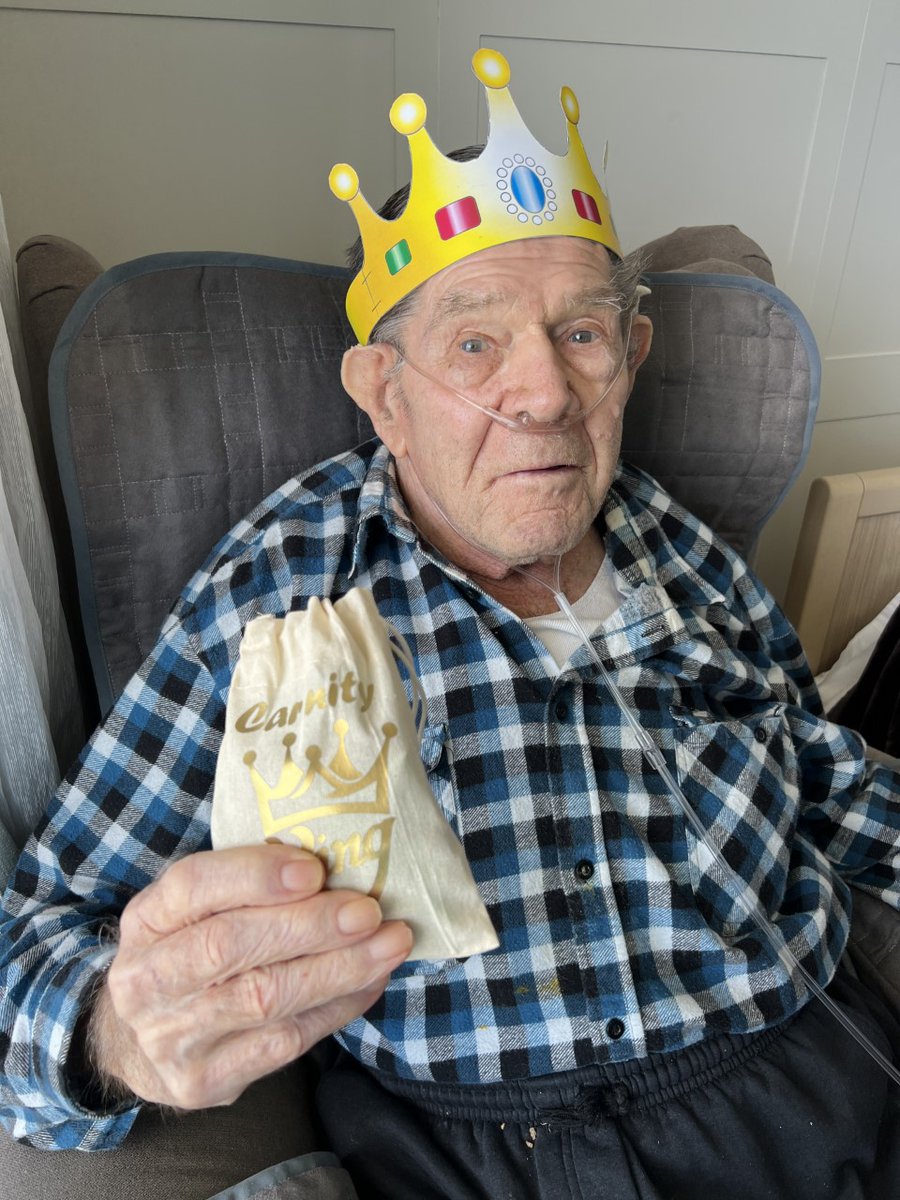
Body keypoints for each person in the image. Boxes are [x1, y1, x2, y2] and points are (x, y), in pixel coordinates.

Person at [2, 48, 899, 1200]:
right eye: (476, 343)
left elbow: (823, 780)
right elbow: (40, 939)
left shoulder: (689, 556)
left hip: (807, 1089)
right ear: (384, 394)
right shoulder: (282, 583)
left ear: (630, 358)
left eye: (582, 334)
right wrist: (113, 1042)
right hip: (471, 1151)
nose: (544, 395)